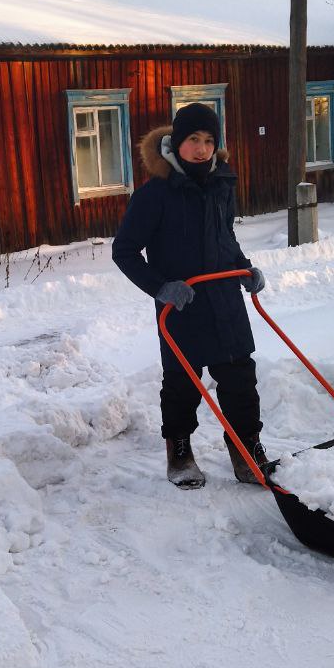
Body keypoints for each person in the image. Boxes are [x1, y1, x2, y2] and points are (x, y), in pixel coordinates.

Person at [112, 102, 268, 489]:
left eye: (209, 140)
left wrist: (245, 268)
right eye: (194, 140)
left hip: (225, 301)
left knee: (240, 379)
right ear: (177, 143)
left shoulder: (221, 185)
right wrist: (161, 288)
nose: (202, 149)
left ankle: (246, 448)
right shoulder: (155, 195)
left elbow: (224, 237)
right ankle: (179, 450)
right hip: (181, 306)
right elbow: (125, 251)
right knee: (182, 383)